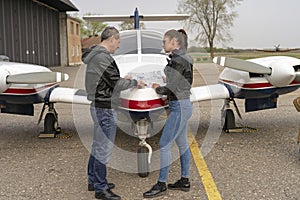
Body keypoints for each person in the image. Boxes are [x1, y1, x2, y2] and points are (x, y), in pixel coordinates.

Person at [83, 26, 143, 200]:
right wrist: (133, 83)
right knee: (104, 148)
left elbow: (108, 80)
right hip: (105, 107)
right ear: (111, 39)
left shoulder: (95, 56)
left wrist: (123, 80)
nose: (118, 46)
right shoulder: (103, 57)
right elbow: (116, 84)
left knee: (97, 145)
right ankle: (101, 188)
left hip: (98, 105)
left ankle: (93, 180)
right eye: (118, 42)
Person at [143, 29, 193, 198]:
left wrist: (158, 88)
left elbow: (171, 88)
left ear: (174, 42)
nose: (163, 44)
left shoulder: (178, 60)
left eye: (164, 41)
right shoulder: (183, 57)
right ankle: (184, 180)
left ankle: (161, 184)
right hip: (184, 105)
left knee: (164, 144)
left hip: (179, 107)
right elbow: (178, 82)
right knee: (182, 143)